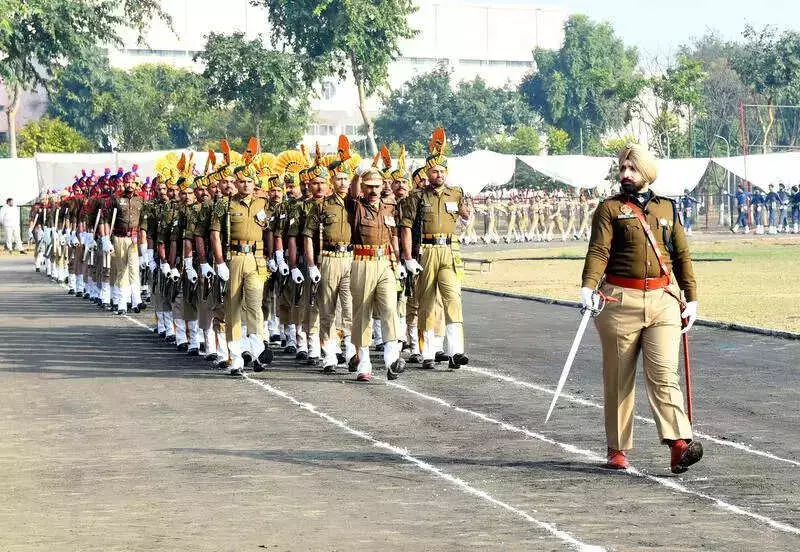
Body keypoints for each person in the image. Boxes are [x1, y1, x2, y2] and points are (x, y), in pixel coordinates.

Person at [580, 143, 702, 474]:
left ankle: (679, 443)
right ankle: (617, 447)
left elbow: (681, 255)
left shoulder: (667, 208)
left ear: (645, 172)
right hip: (620, 300)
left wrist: (691, 298)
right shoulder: (609, 209)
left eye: (631, 169)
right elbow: (599, 251)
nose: (625, 174)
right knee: (619, 378)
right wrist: (588, 286)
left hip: (663, 299)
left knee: (664, 373)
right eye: (622, 169)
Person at [400, 128, 471, 370]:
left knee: (453, 298)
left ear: (446, 172)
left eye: (442, 170)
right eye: (434, 171)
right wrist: (408, 257)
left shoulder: (457, 192)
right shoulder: (417, 196)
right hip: (427, 250)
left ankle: (456, 351)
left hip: (450, 250)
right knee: (427, 301)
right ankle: (427, 351)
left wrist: (466, 215)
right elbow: (407, 227)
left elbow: (463, 220)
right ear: (427, 172)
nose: (438, 174)